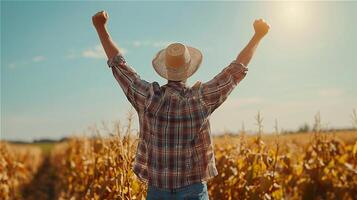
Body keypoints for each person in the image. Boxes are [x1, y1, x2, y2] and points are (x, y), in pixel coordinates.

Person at [92, 10, 270, 200]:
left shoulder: (148, 97)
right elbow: (236, 70)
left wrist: (101, 28)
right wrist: (257, 36)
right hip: (193, 190)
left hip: (157, 191)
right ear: (189, 70)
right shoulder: (201, 98)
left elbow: (119, 65)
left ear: (165, 70)